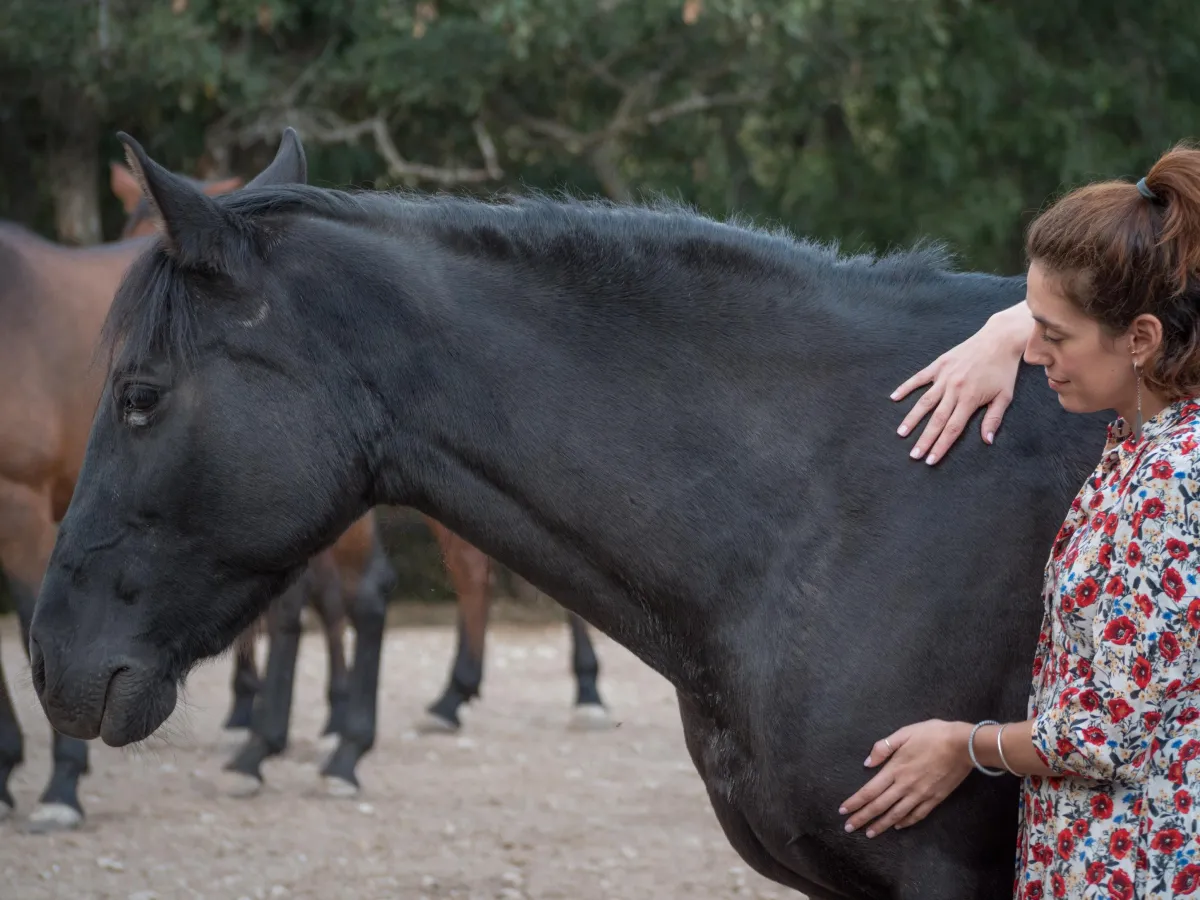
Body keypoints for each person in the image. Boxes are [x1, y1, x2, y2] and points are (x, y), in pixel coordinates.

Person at [839, 145, 1200, 900]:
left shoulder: (1173, 481)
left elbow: (1111, 732)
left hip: (1136, 868)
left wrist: (964, 745)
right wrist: (1004, 330)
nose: (1037, 353)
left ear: (1140, 340)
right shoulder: (1134, 445)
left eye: (1055, 336)